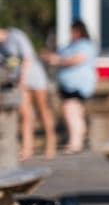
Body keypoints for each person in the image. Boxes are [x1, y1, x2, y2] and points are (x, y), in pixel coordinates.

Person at [0, 26, 58, 160]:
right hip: (18, 81)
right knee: (25, 114)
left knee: (42, 109)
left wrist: (22, 77)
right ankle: (27, 148)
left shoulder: (16, 35)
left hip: (34, 77)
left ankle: (50, 142)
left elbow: (27, 57)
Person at [40, 20, 97, 154]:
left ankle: (75, 143)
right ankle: (78, 141)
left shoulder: (84, 45)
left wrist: (59, 60)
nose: (71, 33)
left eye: (74, 31)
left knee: (71, 111)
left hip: (77, 84)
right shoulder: (70, 45)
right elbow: (60, 55)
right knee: (76, 112)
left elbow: (77, 59)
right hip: (67, 84)